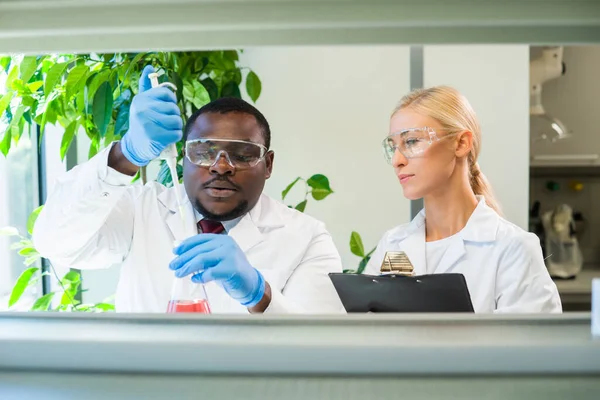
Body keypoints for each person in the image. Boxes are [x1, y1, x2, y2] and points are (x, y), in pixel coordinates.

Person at [33, 66, 345, 314]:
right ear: (182, 157)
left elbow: (323, 354)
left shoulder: (307, 238)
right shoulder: (141, 211)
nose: (221, 166)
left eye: (242, 153)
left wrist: (259, 294)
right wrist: (126, 154)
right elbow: (54, 242)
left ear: (268, 164)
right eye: (204, 151)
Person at [365, 85, 562, 313]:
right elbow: (366, 333)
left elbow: (531, 345)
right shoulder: (393, 244)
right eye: (394, 147)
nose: (397, 160)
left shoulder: (512, 248)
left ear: (460, 143)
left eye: (411, 142)